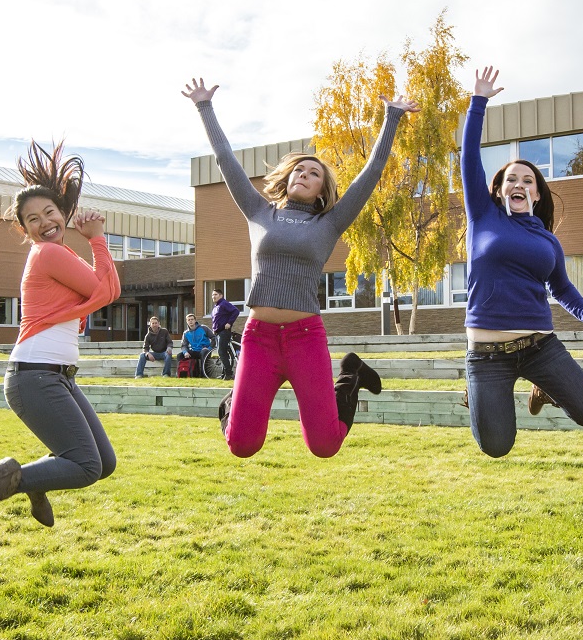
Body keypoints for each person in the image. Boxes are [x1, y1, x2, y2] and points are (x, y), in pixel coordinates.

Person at [183, 77, 417, 458]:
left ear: (322, 190)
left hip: (305, 337)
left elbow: (371, 174)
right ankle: (237, 395)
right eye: (298, 170)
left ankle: (351, 376)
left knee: (325, 446)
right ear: (287, 177)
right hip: (258, 338)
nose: (303, 175)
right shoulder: (259, 212)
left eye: (313, 173)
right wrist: (204, 107)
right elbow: (226, 161)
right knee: (242, 445)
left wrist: (391, 117)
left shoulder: (329, 223)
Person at [0, 142, 121, 547]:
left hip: (56, 376)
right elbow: (109, 290)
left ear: (62, 213)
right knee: (84, 465)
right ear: (24, 231)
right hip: (35, 376)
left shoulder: (57, 256)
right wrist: (97, 239)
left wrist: (94, 258)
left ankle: (33, 482)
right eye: (32, 219)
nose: (44, 222)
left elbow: (101, 290)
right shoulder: (47, 253)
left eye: (49, 213)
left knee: (104, 463)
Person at [459, 67, 583, 458]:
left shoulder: (548, 240)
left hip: (539, 346)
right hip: (487, 354)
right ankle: (478, 396)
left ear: (537, 193)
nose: (519, 184)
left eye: (528, 180)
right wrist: (478, 101)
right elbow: (469, 156)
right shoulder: (482, 215)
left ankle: (542, 386)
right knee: (496, 446)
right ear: (498, 191)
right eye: (511, 179)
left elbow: (560, 287)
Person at [209, 289, 240, 379]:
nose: (213, 296)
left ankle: (229, 373)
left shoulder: (224, 304)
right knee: (223, 353)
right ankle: (225, 373)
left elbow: (236, 311)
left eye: (216, 294)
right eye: (212, 295)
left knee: (221, 352)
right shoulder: (216, 307)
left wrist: (229, 323)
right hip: (218, 333)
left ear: (221, 295)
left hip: (224, 332)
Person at [176, 313, 215, 377]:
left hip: (205, 350)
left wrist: (209, 349)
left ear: (195, 320)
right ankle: (182, 374)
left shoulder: (204, 328)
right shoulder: (186, 333)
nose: (190, 321)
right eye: (189, 320)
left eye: (192, 319)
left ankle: (204, 375)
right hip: (194, 351)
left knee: (204, 352)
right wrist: (185, 352)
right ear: (187, 321)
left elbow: (213, 338)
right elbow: (184, 345)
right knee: (180, 355)